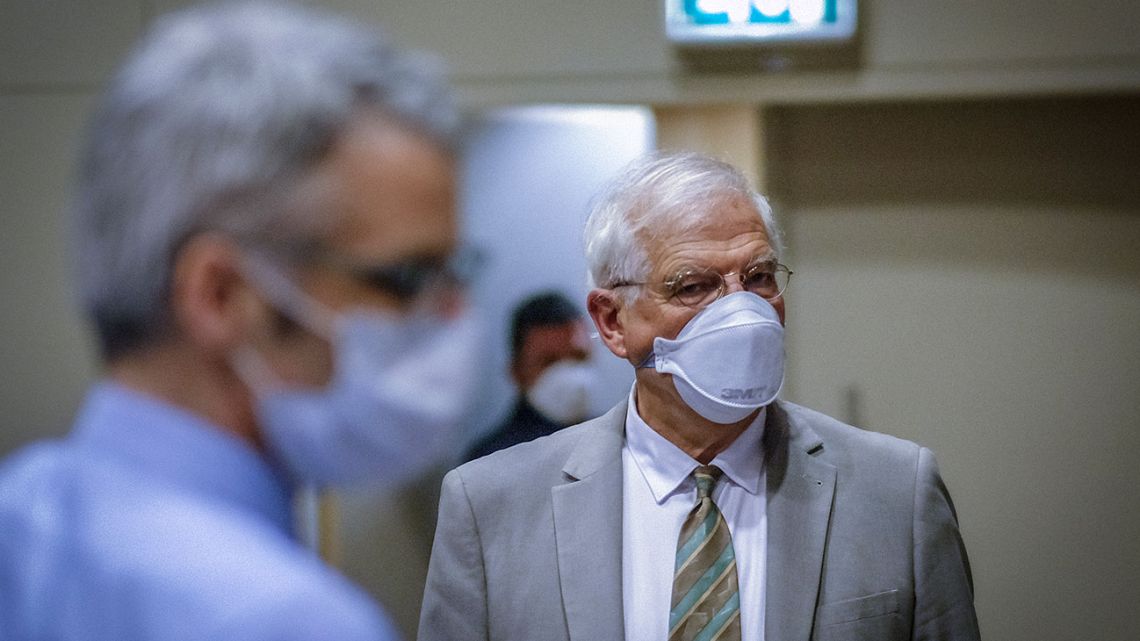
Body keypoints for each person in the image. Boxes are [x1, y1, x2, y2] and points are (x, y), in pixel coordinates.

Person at [0, 3, 479, 640]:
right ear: (221, 295)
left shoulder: (24, 512)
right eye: (407, 278)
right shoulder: (289, 622)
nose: (452, 313)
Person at [418, 152, 980, 641]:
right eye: (693, 286)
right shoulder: (490, 509)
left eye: (758, 277)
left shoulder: (896, 493)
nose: (743, 312)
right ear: (612, 321)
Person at [464, 290, 594, 461]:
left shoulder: (620, 439)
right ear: (517, 373)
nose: (570, 374)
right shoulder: (490, 462)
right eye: (549, 362)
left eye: (578, 357)